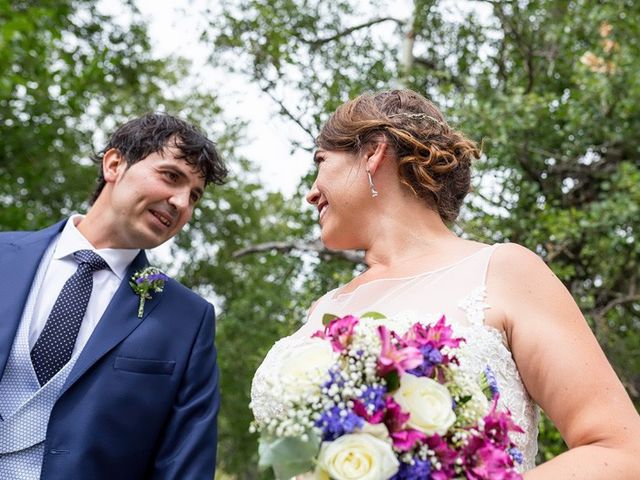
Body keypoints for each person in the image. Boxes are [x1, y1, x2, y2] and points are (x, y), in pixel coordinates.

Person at [251, 89, 640, 478]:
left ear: (372, 152)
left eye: (321, 161)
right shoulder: (323, 308)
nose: (311, 193)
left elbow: (622, 451)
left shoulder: (502, 271)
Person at [0, 113, 227, 479]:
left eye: (194, 196)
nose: (182, 202)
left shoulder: (188, 320)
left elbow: (184, 465)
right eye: (171, 176)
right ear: (114, 163)